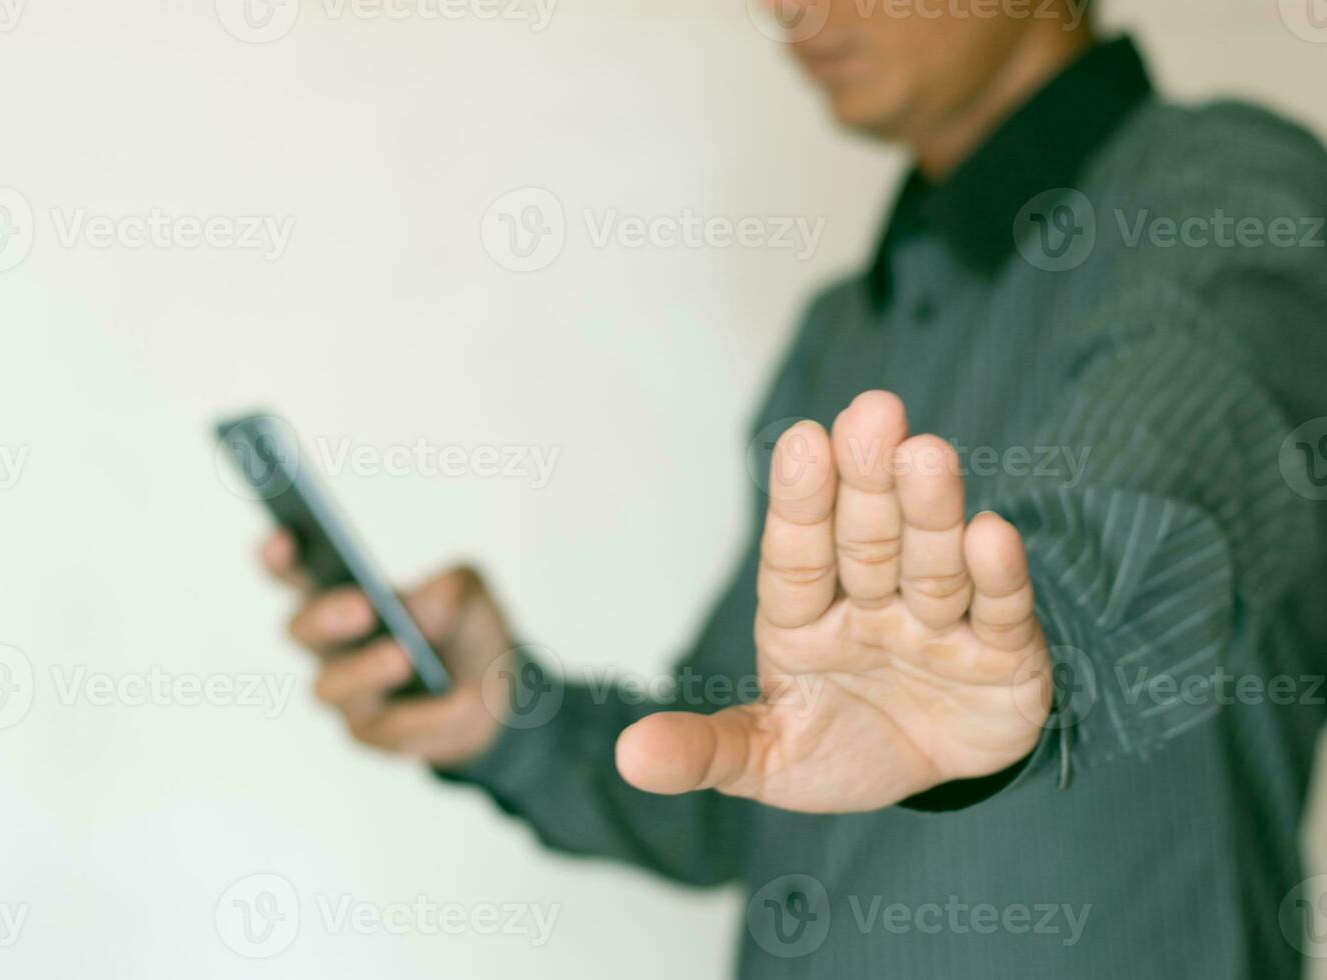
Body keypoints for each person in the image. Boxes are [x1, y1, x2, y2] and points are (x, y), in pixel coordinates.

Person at [261, 4, 1327, 975]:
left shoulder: (1230, 195)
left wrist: (1024, 650)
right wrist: (507, 712)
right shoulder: (845, 328)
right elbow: (752, 775)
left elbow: (1167, 503)